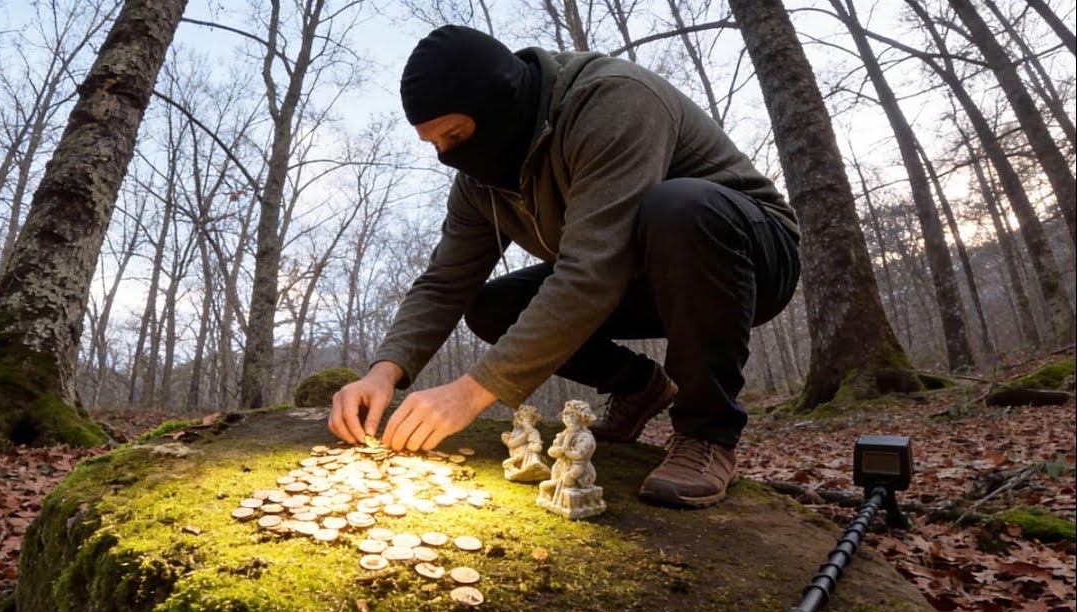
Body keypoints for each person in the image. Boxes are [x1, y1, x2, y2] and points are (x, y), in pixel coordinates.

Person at [329, 25, 800, 507]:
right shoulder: (480, 182)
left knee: (680, 205)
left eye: (456, 135)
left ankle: (707, 433)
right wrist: (382, 373)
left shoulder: (612, 103)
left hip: (747, 257)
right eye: (435, 145)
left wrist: (470, 393)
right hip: (636, 276)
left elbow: (588, 272)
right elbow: (445, 282)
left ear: (500, 105)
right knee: (494, 307)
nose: (450, 156)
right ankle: (640, 387)